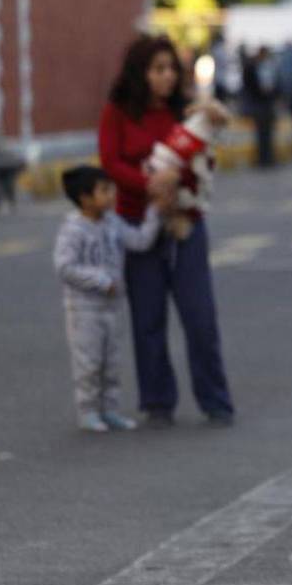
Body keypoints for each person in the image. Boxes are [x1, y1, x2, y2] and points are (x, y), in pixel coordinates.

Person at [98, 35, 236, 430]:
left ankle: (215, 400)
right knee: (148, 318)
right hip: (136, 223)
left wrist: (179, 182)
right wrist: (151, 185)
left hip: (186, 222)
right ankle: (158, 401)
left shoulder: (186, 111)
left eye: (172, 68)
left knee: (200, 315)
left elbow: (204, 160)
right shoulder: (118, 112)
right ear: (140, 72)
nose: (167, 76)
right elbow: (111, 162)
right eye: (158, 69)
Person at [54, 167, 162, 433]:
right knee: (89, 362)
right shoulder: (73, 230)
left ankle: (110, 409)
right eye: (104, 191)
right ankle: (88, 411)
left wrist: (155, 212)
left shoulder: (113, 223)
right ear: (85, 198)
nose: (112, 195)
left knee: (111, 362)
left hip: (112, 308)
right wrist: (102, 281)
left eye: (111, 189)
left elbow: (139, 241)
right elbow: (65, 268)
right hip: (84, 309)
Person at [242, 46, 278, 169]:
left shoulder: (266, 66)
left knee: (267, 133)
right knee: (262, 133)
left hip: (265, 103)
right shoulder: (253, 67)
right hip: (259, 103)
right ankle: (264, 158)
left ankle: (268, 157)